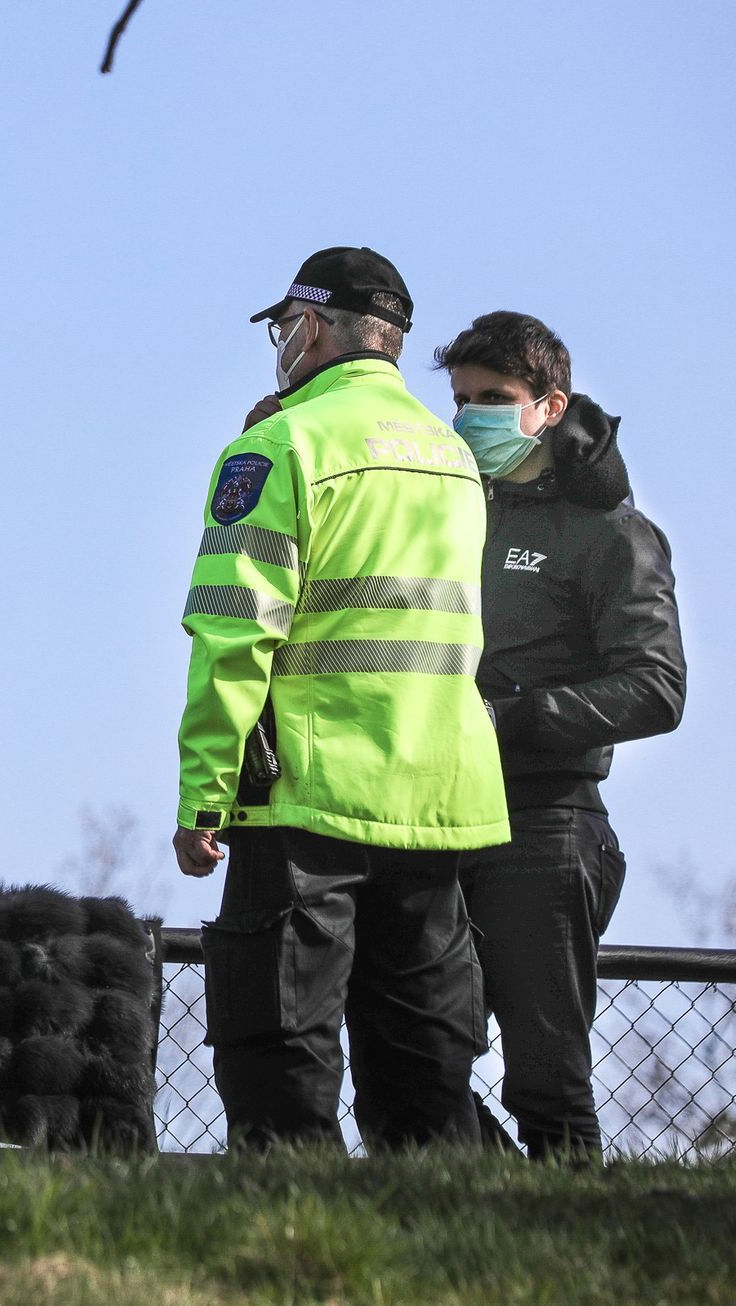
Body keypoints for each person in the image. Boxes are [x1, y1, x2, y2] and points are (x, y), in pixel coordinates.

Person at [172, 247, 509, 1150]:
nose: (281, 343)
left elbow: (233, 633)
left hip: (307, 806)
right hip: (440, 806)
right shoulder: (455, 459)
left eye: (284, 327)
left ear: (312, 328)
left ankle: (293, 1265)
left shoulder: (279, 447)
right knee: (427, 1081)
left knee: (280, 1062)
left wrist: (204, 797)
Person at [436, 311, 685, 1159]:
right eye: (461, 398)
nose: (472, 416)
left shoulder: (612, 530)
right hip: (434, 819)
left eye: (494, 398)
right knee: (417, 1059)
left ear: (550, 405)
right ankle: (479, 1235)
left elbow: (658, 687)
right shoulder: (450, 509)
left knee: (547, 1082)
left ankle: (573, 1247)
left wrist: (519, 717)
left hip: (548, 826)